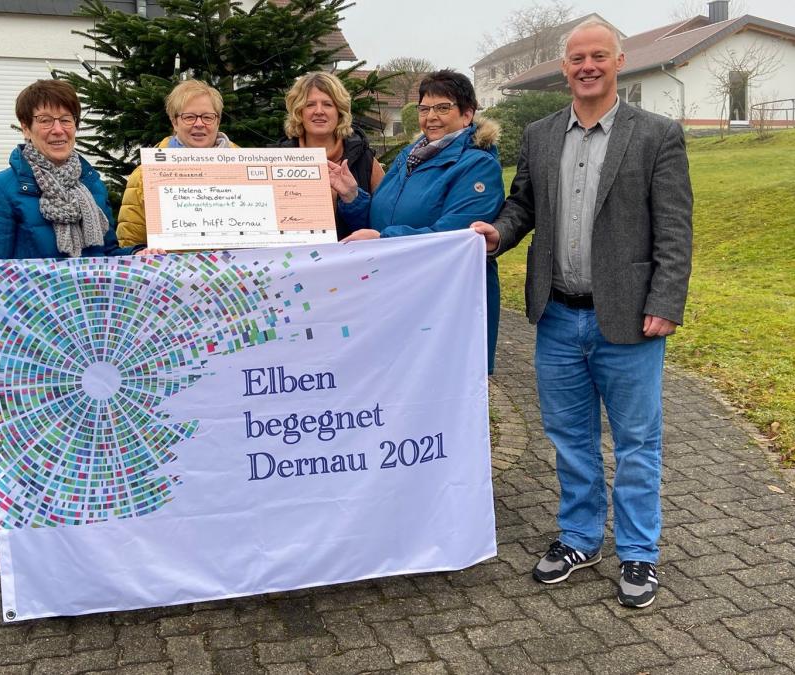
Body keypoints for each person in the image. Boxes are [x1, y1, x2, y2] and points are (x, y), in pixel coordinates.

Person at [471, 18, 693, 608]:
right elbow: (523, 205)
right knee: (569, 437)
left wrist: (666, 302)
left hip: (628, 320)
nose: (587, 66)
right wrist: (497, 234)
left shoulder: (657, 134)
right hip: (558, 317)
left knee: (637, 442)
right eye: (577, 58)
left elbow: (674, 230)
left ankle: (640, 553)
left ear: (619, 61)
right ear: (564, 67)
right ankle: (579, 538)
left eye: (599, 55)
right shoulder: (542, 135)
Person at [329, 69, 504, 373]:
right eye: (424, 108)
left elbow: (454, 236)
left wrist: (384, 242)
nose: (431, 116)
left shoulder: (477, 165)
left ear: (467, 115)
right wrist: (351, 196)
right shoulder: (411, 155)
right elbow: (380, 218)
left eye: (442, 107)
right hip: (400, 295)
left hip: (447, 306)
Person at [0, 79, 126, 367]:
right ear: (25, 127)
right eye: (45, 120)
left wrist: (139, 255)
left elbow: (107, 256)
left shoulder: (91, 186)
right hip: (32, 348)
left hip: (91, 340)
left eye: (66, 120)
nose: (58, 129)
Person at [116, 79, 237, 253]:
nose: (199, 124)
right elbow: (130, 243)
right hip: (171, 278)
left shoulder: (245, 166)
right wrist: (140, 253)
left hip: (235, 277)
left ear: (217, 121)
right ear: (174, 122)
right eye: (189, 117)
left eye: (207, 117)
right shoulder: (145, 175)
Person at [277, 71, 384, 240]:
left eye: (327, 104)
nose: (319, 111)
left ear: (339, 111)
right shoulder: (278, 161)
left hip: (352, 262)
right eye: (310, 104)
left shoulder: (366, 161)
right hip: (295, 262)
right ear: (299, 112)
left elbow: (383, 223)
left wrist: (353, 198)